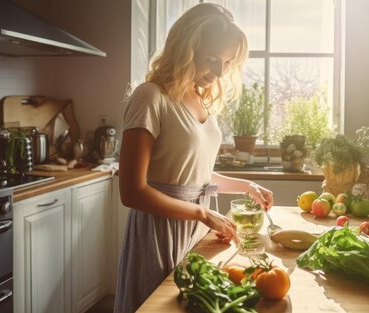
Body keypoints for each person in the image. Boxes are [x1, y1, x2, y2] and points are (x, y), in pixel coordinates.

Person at [114, 3, 274, 312]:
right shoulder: (150, 96)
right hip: (160, 233)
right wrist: (203, 214)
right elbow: (132, 192)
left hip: (197, 228)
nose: (219, 72)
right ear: (185, 50)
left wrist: (245, 185)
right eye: (212, 59)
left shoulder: (200, 99)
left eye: (227, 62)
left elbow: (191, 175)